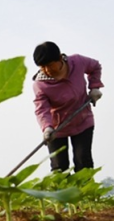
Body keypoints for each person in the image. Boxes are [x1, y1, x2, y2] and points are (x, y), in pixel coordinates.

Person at [32, 41, 103, 173]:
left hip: (82, 121)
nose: (46, 70)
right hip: (56, 129)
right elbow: (42, 109)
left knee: (83, 162)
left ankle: (85, 187)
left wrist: (95, 87)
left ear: (60, 58)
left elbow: (95, 67)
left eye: (49, 65)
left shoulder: (77, 62)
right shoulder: (40, 84)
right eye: (42, 67)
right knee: (59, 168)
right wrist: (47, 128)